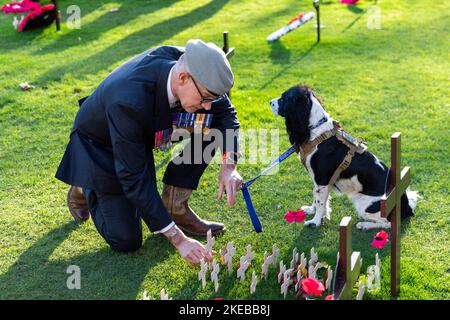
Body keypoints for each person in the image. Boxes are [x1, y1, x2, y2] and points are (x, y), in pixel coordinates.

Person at [55, 39, 243, 265]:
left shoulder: (194, 66)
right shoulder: (129, 101)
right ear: (183, 78)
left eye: (212, 99)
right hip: (101, 144)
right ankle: (85, 184)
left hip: (142, 128)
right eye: (205, 98)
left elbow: (226, 115)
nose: (208, 106)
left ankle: (175, 205)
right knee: (127, 240)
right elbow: (135, 179)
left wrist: (228, 166)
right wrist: (179, 240)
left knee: (213, 123)